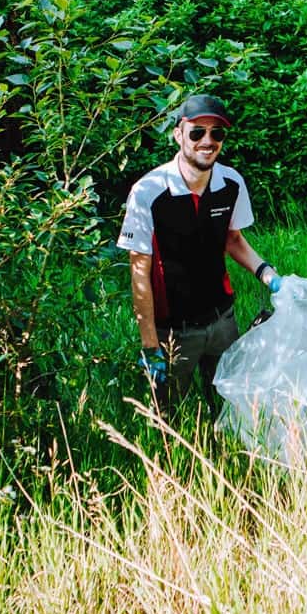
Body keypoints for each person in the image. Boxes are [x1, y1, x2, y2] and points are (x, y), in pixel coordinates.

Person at [118, 94, 281, 413]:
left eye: (216, 133)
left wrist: (269, 275)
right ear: (178, 134)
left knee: (230, 407)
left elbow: (233, 240)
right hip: (173, 331)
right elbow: (139, 273)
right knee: (168, 417)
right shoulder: (148, 192)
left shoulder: (231, 183)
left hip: (222, 321)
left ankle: (227, 457)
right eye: (197, 132)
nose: (207, 141)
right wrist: (150, 346)